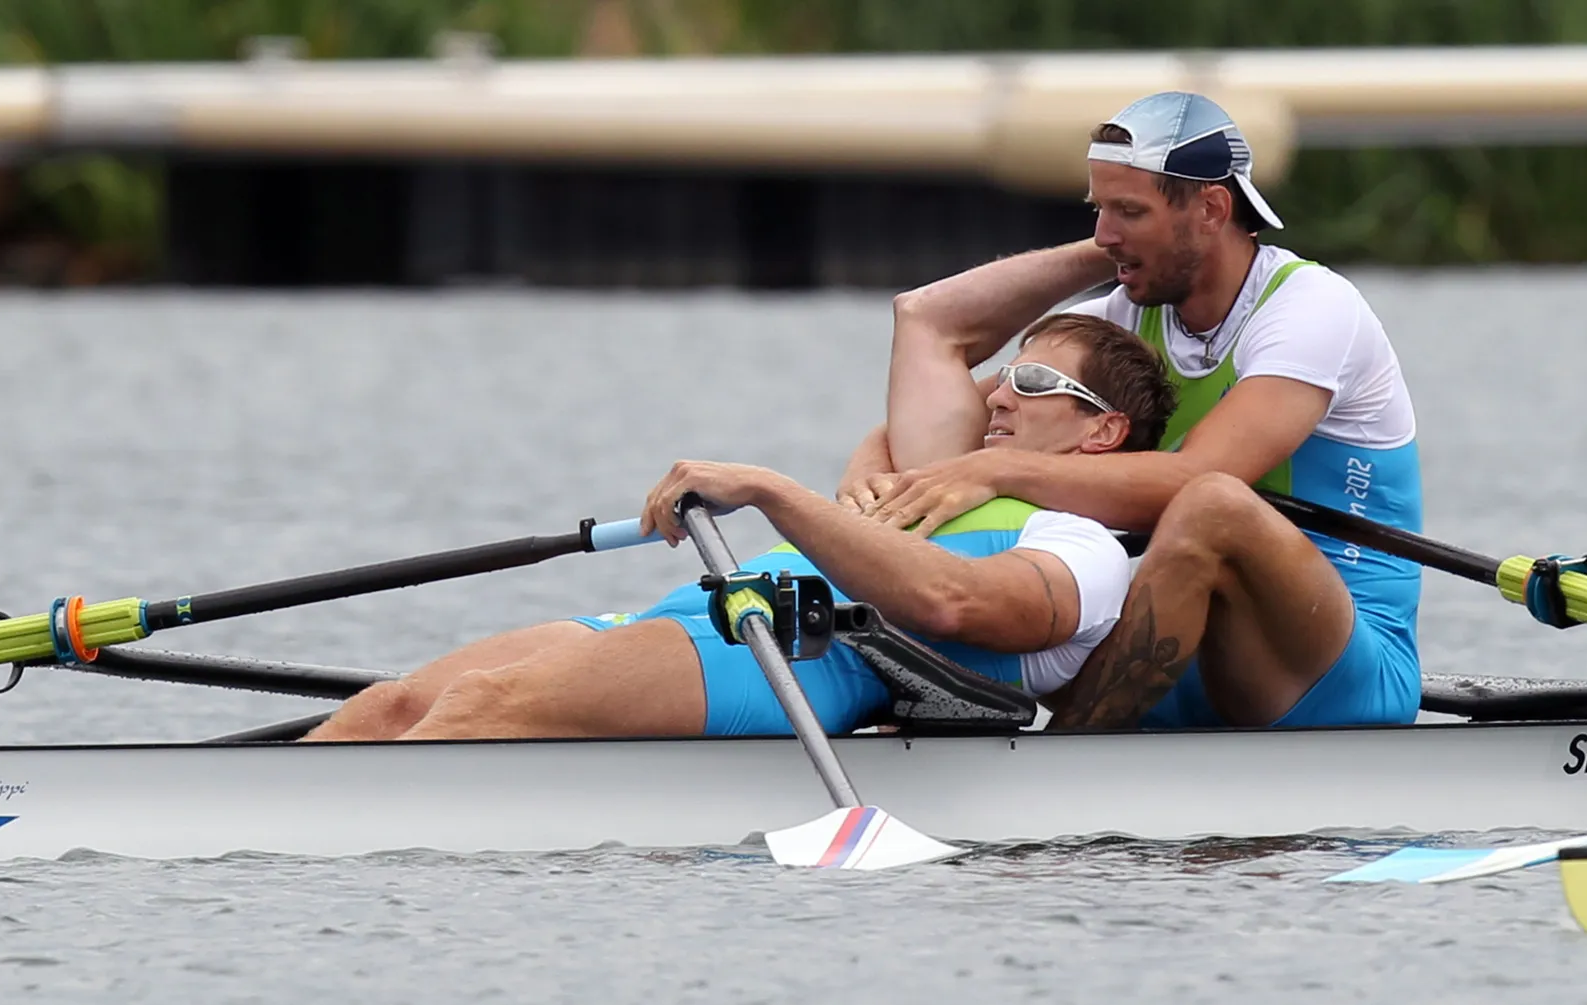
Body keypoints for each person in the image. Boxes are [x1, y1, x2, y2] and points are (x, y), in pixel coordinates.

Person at [300, 314, 1175, 742]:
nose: (996, 397)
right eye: (1000, 378)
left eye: (1029, 385)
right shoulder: (931, 484)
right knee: (396, 703)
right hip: (697, 617)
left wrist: (769, 489)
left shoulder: (1084, 550)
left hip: (790, 663)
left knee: (485, 706)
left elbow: (954, 603)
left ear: (1103, 433)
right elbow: (931, 314)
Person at [838, 91, 1424, 730]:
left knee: (1214, 505)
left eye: (1128, 211)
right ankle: (937, 714)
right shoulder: (1124, 316)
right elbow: (935, 330)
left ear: (1211, 207)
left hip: (1333, 669)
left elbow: (1194, 479)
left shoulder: (1311, 310)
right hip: (1185, 649)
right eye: (1099, 210)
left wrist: (998, 471)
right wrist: (873, 477)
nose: (1101, 234)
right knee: (1010, 434)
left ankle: (1068, 763)